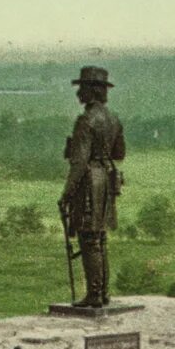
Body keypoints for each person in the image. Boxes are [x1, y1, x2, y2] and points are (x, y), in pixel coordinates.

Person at [59, 66, 127, 306]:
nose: (78, 94)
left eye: (83, 89)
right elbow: (119, 153)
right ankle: (102, 292)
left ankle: (94, 295)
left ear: (93, 91)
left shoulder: (86, 120)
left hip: (89, 182)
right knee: (100, 239)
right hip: (105, 181)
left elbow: (78, 162)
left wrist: (66, 194)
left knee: (89, 239)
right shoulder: (114, 119)